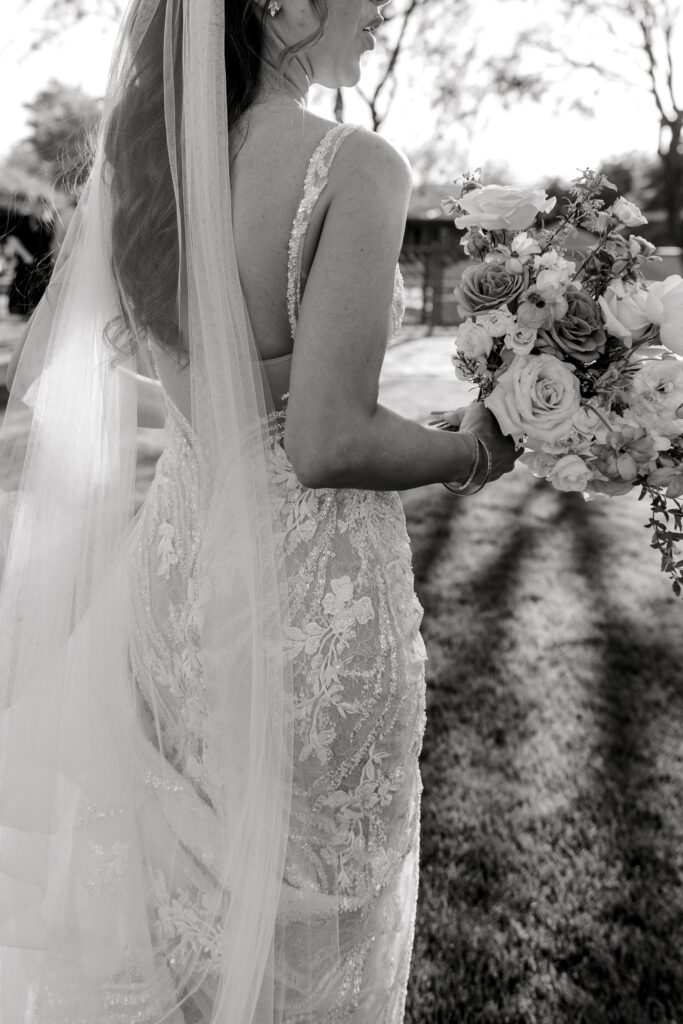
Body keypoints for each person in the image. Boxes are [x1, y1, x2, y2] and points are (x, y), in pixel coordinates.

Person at [0, 1, 517, 1022]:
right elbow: (326, 441)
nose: (378, 10)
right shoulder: (355, 165)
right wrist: (474, 450)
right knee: (309, 958)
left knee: (174, 944)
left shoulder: (153, 170)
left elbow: (225, 403)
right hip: (308, 619)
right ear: (279, 5)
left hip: (173, 596)